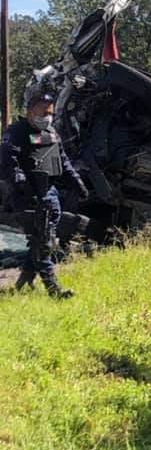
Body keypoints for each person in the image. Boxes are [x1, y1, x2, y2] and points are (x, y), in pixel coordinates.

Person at [0, 91, 88, 298]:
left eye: (50, 112)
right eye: (43, 112)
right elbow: (8, 164)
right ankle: (54, 289)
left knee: (42, 239)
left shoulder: (51, 132)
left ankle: (23, 282)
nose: (47, 116)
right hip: (28, 197)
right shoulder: (16, 133)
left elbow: (63, 161)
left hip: (50, 193)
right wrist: (22, 185)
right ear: (30, 112)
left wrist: (78, 184)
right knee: (44, 243)